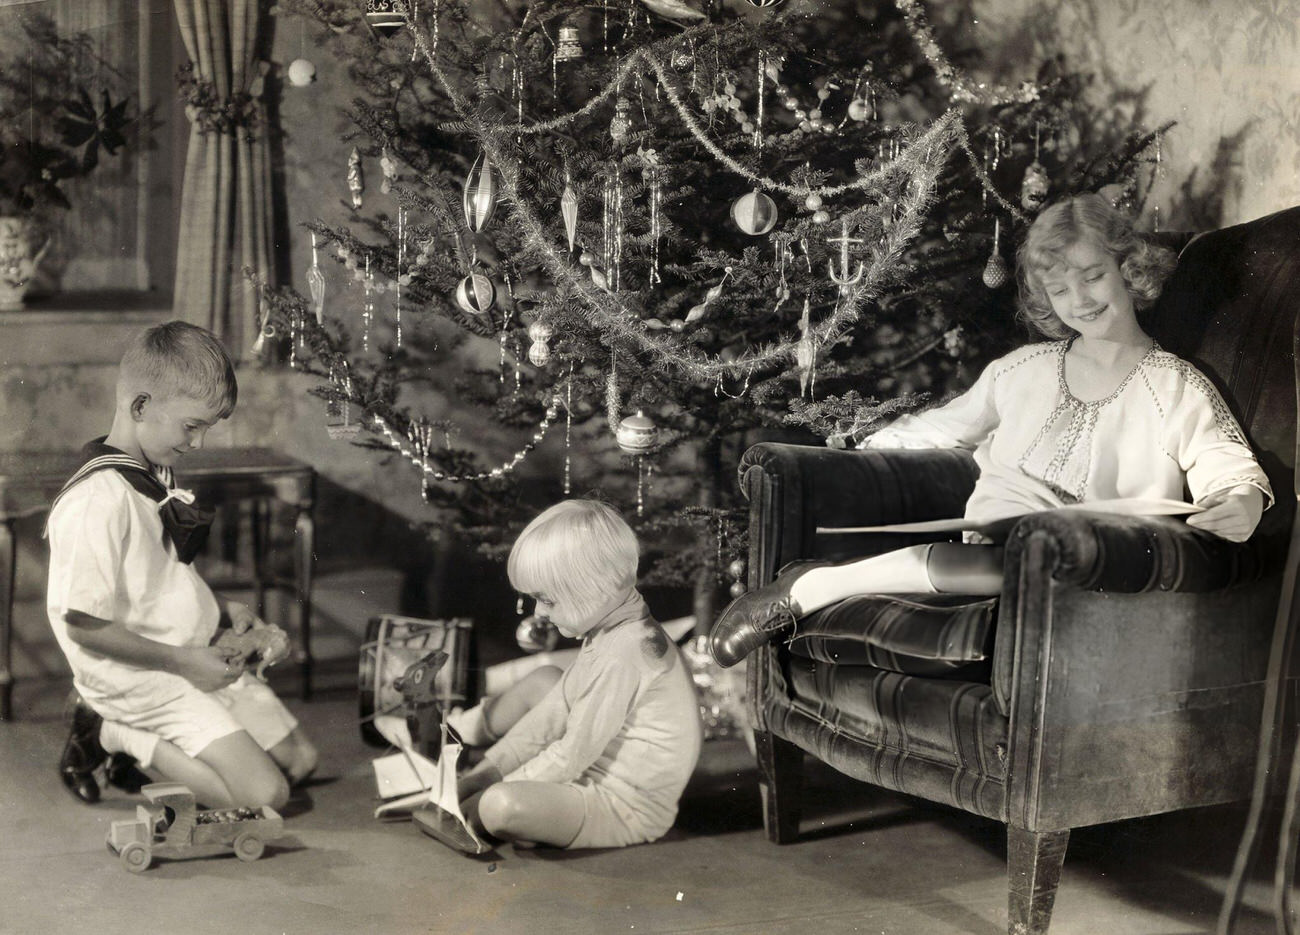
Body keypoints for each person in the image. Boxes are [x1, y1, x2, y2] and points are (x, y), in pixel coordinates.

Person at [710, 193, 1273, 668]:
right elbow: (943, 429)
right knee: (1009, 562)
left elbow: (1224, 460)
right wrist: (868, 445)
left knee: (1038, 568)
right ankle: (812, 583)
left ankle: (815, 586)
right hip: (998, 540)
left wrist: (1240, 500)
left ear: (1129, 270)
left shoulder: (1173, 384)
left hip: (1092, 559)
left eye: (1094, 276)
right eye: (1059, 289)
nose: (1079, 299)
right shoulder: (1021, 369)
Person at [47, 320, 318, 807]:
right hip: (139, 672)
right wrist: (185, 663)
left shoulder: (154, 473)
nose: (197, 443)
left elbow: (160, 580)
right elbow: (85, 628)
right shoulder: (97, 501)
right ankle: (114, 732)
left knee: (300, 762)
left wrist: (222, 608)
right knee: (266, 796)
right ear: (141, 406)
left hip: (183, 650)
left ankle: (162, 744)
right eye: (192, 426)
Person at [455, 499, 703, 850]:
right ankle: (461, 737)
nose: (539, 612)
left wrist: (487, 794)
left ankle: (483, 801)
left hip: (622, 806)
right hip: (587, 771)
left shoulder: (625, 652)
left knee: (501, 805)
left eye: (547, 600)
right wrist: (486, 773)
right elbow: (552, 712)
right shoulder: (611, 628)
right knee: (545, 680)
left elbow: (571, 755)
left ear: (589, 589)